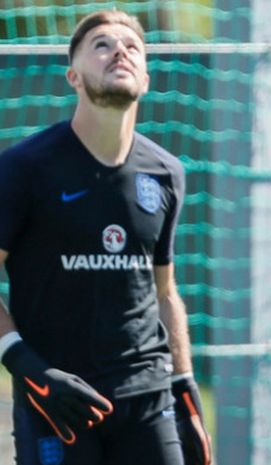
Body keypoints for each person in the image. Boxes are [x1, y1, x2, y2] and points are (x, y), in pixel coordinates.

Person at [0, 10, 211, 465]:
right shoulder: (23, 168)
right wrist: (26, 366)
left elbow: (164, 290)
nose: (119, 50)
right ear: (73, 76)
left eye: (132, 46)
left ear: (148, 79)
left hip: (148, 400)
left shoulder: (166, 172)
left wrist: (185, 386)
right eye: (101, 44)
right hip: (57, 403)